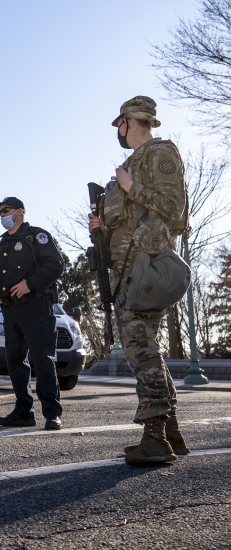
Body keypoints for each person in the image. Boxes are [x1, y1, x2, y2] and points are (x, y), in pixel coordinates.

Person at [89, 96, 189, 466]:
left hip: (146, 267)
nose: (118, 131)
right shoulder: (129, 166)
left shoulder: (160, 152)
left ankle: (156, 438)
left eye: (120, 124)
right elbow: (128, 217)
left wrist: (132, 189)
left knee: (140, 349)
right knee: (146, 347)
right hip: (125, 271)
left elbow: (172, 208)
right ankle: (170, 433)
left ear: (131, 121)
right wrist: (103, 224)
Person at [0, 197, 64, 430]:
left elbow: (55, 265)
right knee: (15, 361)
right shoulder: (1, 245)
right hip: (10, 309)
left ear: (20, 212)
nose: (2, 215)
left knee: (42, 358)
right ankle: (23, 411)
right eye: (0, 212)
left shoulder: (36, 237)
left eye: (6, 210)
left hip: (36, 306)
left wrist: (29, 284)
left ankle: (52, 413)